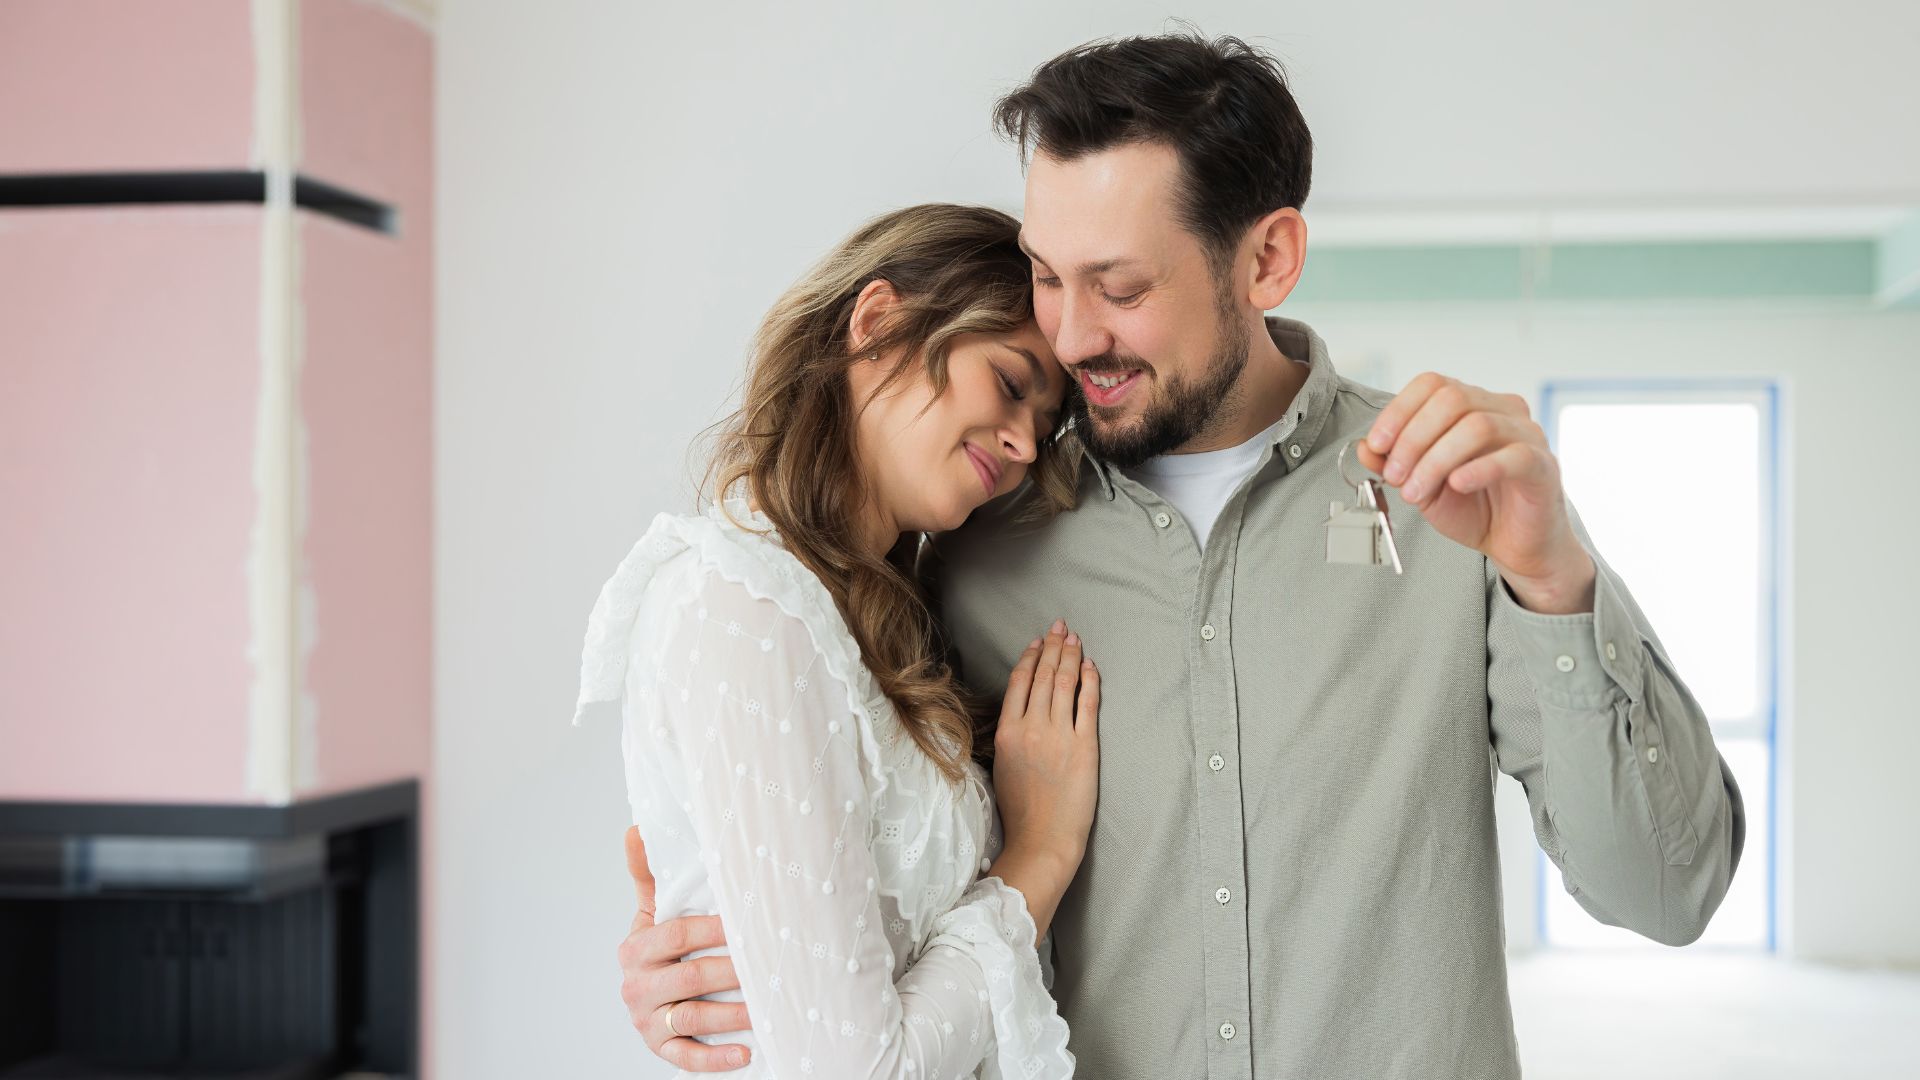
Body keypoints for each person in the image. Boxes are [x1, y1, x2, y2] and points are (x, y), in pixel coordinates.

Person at [620, 32, 1746, 1080]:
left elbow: (1668, 891)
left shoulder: (1450, 503)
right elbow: (849, 866)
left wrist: (1553, 575)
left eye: (1119, 288)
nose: (1066, 335)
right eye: (1046, 278)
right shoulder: (966, 545)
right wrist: (699, 956)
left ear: (1268, 259)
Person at [574, 204, 1095, 1078]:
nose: (1021, 443)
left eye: (1043, 425)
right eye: (1011, 383)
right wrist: (1036, 859)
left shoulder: (875, 614)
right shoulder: (742, 605)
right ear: (879, 325)